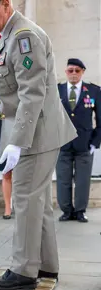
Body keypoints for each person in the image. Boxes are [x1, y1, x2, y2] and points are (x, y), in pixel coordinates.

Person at [0, 0, 77, 290]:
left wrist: (16, 143)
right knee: (37, 202)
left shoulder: (23, 36)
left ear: (5, 5)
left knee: (25, 200)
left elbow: (32, 93)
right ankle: (46, 266)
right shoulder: (11, 34)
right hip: (36, 130)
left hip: (35, 134)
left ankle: (24, 270)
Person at [56, 58, 100, 223]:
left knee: (83, 180)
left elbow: (100, 119)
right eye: (70, 70)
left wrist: (95, 143)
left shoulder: (94, 91)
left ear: (83, 72)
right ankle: (66, 210)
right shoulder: (57, 90)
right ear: (66, 72)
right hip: (62, 143)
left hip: (84, 144)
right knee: (63, 179)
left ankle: (80, 211)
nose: (73, 73)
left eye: (77, 70)